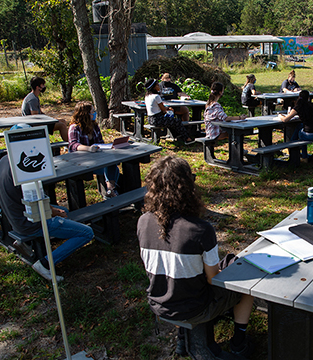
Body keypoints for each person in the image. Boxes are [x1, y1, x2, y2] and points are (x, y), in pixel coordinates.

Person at [137, 156, 254, 356]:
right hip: (194, 306)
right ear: (187, 188)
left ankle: (183, 340)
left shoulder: (143, 221)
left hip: (159, 301)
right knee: (247, 288)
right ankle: (239, 342)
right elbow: (213, 278)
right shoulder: (200, 229)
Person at [0, 140, 94, 282]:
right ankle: (45, 263)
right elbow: (39, 203)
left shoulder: (4, 160)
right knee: (87, 232)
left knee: (64, 210)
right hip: (30, 222)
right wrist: (56, 213)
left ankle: (34, 243)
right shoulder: (23, 169)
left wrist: (57, 211)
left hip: (14, 217)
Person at [68, 101, 120, 198]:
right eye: (92, 111)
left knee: (113, 165)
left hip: (96, 159)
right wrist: (88, 149)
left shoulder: (94, 126)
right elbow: (73, 145)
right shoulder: (74, 128)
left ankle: (110, 191)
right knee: (108, 168)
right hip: (80, 163)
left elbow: (100, 142)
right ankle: (110, 192)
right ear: (85, 114)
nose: (95, 113)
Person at [278, 90, 313, 160]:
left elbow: (285, 119)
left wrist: (280, 115)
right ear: (309, 98)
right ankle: (302, 154)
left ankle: (293, 146)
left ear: (299, 98)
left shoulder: (299, 107)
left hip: (309, 135)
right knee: (301, 126)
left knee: (300, 130)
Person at [144, 78, 194, 145]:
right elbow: (163, 110)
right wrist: (168, 109)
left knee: (172, 121)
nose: (159, 86)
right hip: (158, 119)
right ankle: (187, 139)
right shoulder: (156, 96)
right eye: (157, 85)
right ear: (154, 87)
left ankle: (177, 136)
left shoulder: (147, 96)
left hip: (150, 119)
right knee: (177, 121)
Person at [21, 76, 69, 142]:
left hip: (38, 122)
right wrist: (48, 121)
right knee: (61, 125)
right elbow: (34, 116)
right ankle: (70, 144)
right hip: (33, 125)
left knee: (63, 121)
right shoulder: (32, 99)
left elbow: (40, 113)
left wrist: (51, 119)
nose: (44, 86)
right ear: (37, 87)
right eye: (42, 85)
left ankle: (67, 143)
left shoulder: (35, 97)